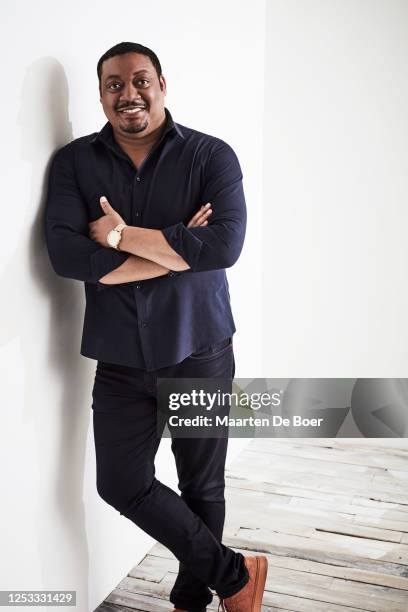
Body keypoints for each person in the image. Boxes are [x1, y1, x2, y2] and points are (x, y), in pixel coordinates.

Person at [45, 41, 268, 612]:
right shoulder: (74, 163)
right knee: (119, 483)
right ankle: (236, 574)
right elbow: (67, 258)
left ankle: (193, 598)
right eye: (114, 85)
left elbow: (224, 247)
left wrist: (118, 237)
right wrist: (176, 247)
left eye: (139, 80)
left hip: (199, 348)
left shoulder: (211, 156)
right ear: (100, 94)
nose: (128, 94)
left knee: (202, 485)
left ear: (162, 84)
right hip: (119, 357)